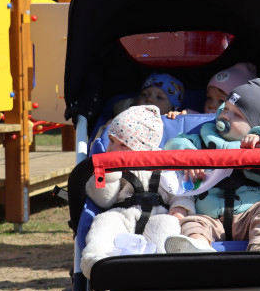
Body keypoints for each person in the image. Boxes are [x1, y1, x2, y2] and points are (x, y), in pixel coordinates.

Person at [164, 78, 260, 253]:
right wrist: (190, 156)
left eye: (237, 115)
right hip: (210, 218)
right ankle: (199, 247)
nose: (225, 116)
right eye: (226, 108)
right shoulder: (206, 136)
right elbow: (175, 143)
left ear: (257, 126)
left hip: (250, 217)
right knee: (192, 222)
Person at [81, 106, 193, 278]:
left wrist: (180, 207)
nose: (111, 149)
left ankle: (166, 265)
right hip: (122, 212)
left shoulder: (165, 163)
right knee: (104, 221)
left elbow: (182, 190)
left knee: (167, 224)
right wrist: (109, 176)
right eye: (111, 141)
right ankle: (96, 259)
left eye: (122, 144)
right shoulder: (108, 165)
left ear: (142, 147)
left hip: (159, 212)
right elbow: (103, 201)